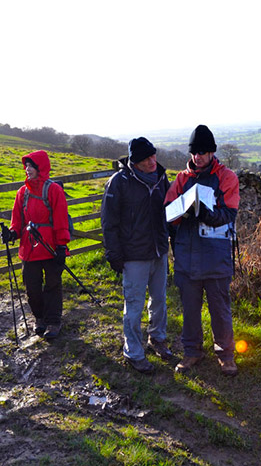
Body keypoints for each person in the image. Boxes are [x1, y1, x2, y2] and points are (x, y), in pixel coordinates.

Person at [164, 125, 240, 376]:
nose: (198, 157)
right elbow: (168, 211)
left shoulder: (227, 177)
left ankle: (226, 355)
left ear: (212, 152)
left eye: (203, 152)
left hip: (215, 255)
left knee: (220, 308)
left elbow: (229, 214)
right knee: (189, 308)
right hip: (187, 255)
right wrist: (179, 214)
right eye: (195, 152)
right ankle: (192, 352)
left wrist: (206, 214)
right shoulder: (181, 179)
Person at [101, 137, 173, 374]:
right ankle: (133, 351)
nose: (152, 161)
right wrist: (114, 253)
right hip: (133, 255)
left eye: (153, 156)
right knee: (134, 304)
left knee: (160, 299)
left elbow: (170, 210)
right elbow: (109, 222)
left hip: (158, 251)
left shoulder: (162, 177)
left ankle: (157, 338)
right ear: (135, 161)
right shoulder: (119, 182)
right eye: (146, 159)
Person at [1, 150, 70, 339]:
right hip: (29, 248)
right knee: (31, 287)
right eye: (26, 166)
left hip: (51, 247)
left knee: (53, 285)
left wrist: (61, 246)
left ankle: (54, 322)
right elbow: (17, 221)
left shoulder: (53, 190)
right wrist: (12, 234)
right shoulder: (22, 193)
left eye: (31, 166)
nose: (28, 169)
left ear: (41, 168)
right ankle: (39, 318)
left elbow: (61, 220)